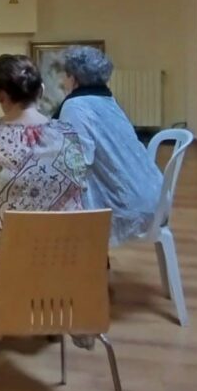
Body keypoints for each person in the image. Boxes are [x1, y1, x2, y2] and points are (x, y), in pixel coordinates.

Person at [0, 55, 86, 295]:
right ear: (41, 91)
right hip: (63, 259)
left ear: (1, 96)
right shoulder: (69, 134)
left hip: (3, 267)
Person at [57, 45, 163, 245]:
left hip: (131, 210)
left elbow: (75, 163)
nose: (63, 81)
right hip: (155, 198)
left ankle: (79, 262)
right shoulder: (107, 100)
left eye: (65, 75)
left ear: (74, 78)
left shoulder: (75, 106)